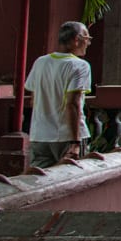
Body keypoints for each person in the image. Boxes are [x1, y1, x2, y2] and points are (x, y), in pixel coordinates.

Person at [25, 21, 93, 168]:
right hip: (66, 136)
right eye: (87, 38)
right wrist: (75, 142)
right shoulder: (80, 66)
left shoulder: (40, 62)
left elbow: (33, 100)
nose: (88, 43)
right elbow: (72, 104)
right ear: (76, 40)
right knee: (72, 177)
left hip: (40, 136)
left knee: (39, 178)